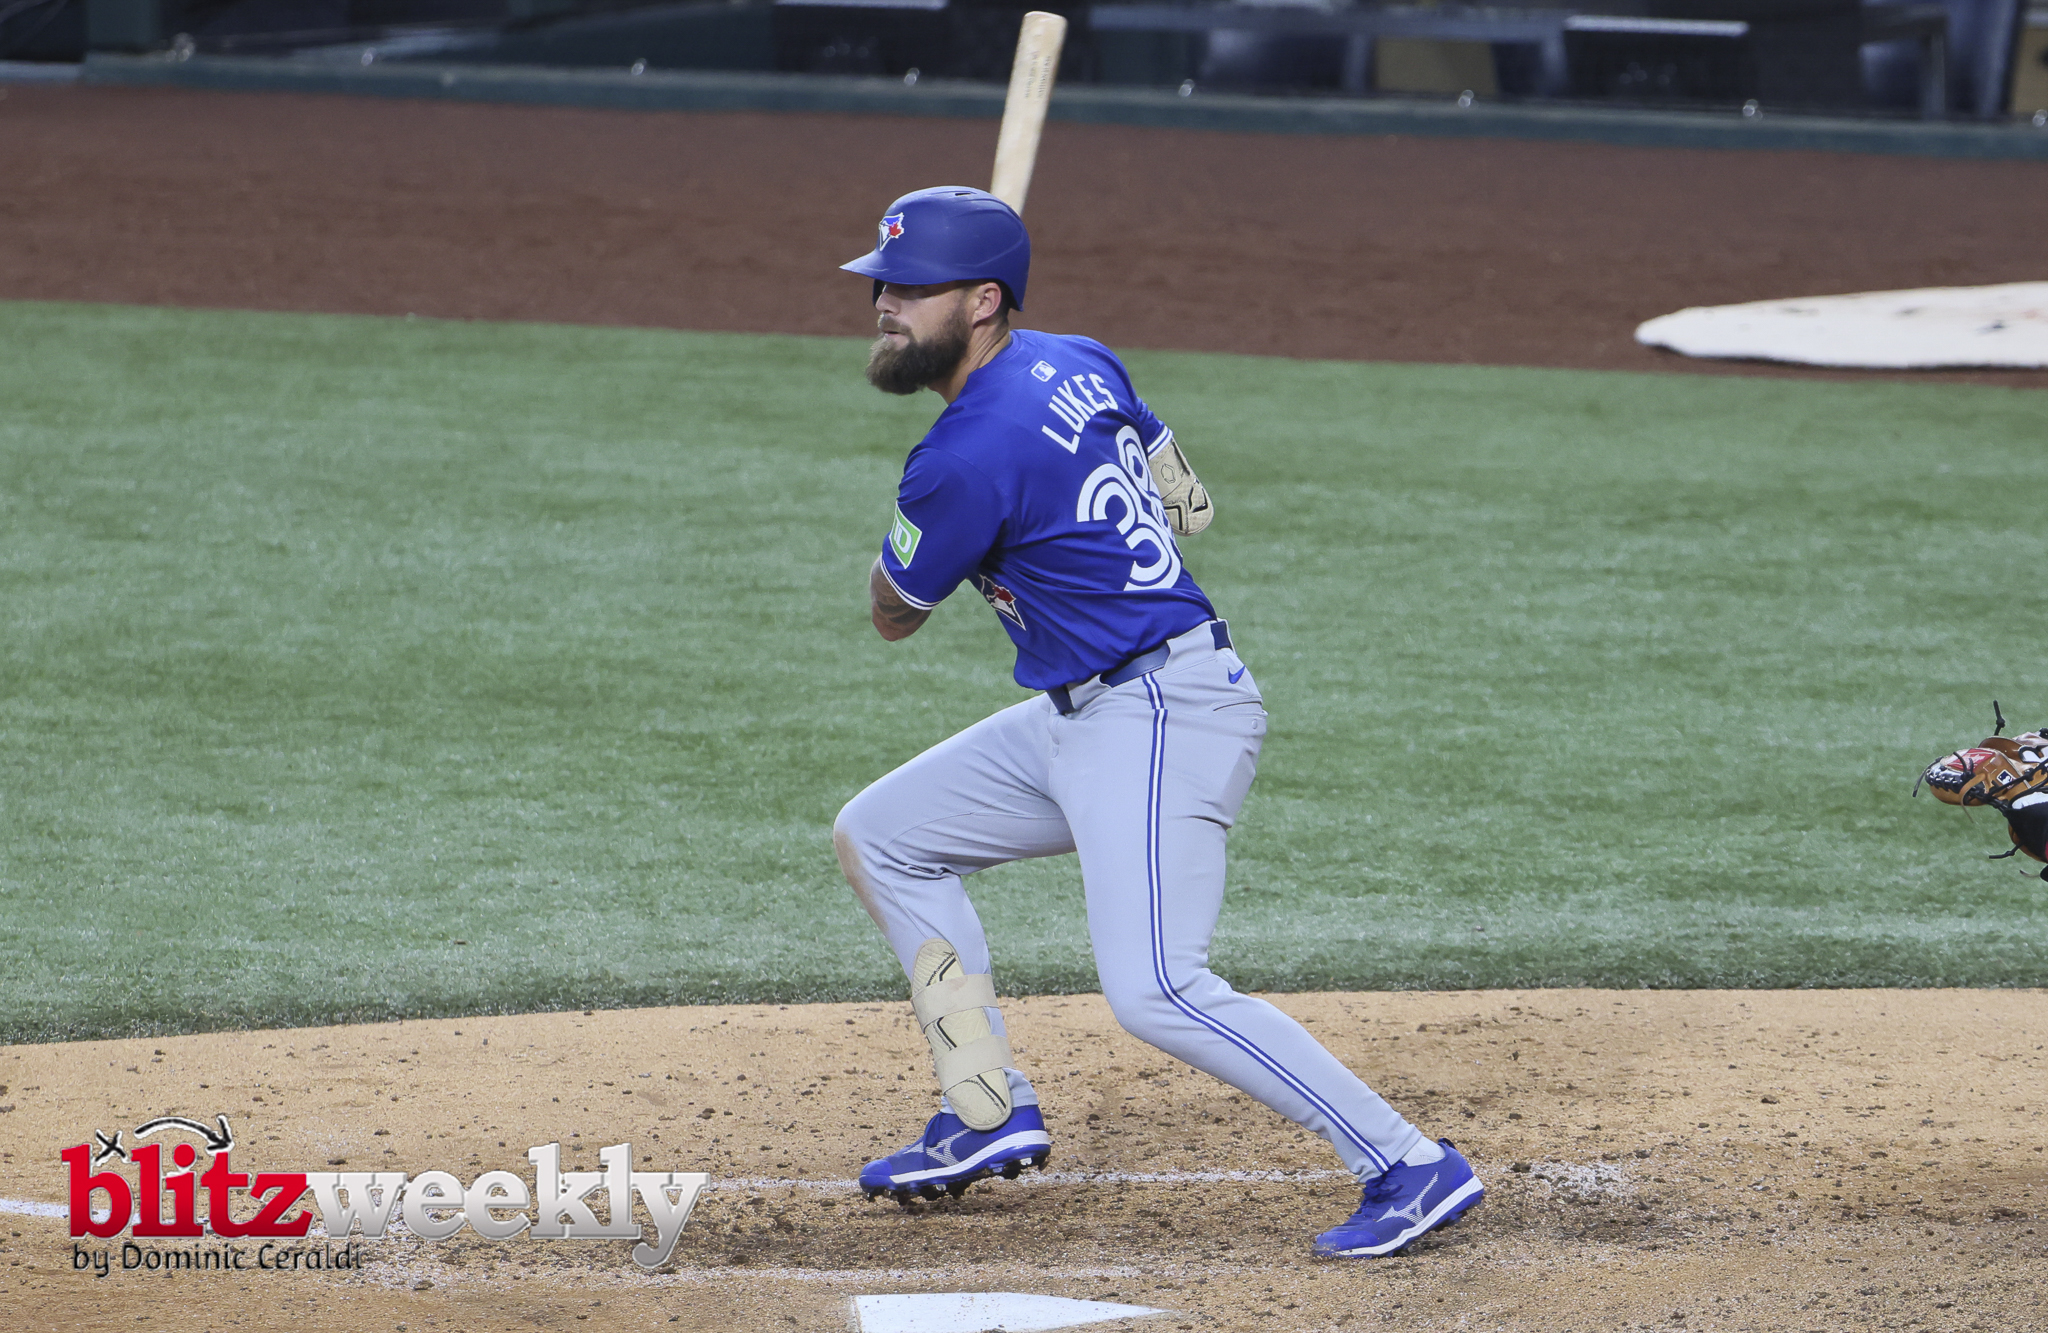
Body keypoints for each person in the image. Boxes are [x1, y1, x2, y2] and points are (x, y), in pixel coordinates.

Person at [829, 186, 1483, 1257]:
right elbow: (1186, 499)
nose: (884, 306)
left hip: (1158, 714)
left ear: (982, 301)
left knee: (1158, 988)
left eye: (910, 289)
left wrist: (922, 526)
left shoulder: (958, 459)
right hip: (1086, 711)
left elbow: (893, 614)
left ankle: (1407, 1163)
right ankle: (984, 1103)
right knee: (883, 833)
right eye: (881, 286)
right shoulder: (1079, 358)